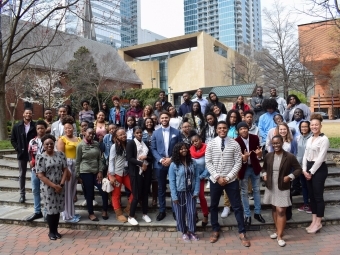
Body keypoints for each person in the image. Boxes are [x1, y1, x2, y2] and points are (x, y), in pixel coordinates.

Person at [205, 121, 250, 247]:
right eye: (220, 128)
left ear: (227, 129)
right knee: (213, 206)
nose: (222, 130)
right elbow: (208, 162)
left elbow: (238, 163)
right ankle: (215, 229)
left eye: (224, 128)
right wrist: (217, 176)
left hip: (231, 180)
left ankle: (242, 232)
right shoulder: (211, 144)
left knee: (236, 206)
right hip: (216, 180)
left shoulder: (235, 144)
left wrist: (228, 177)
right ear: (216, 129)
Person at [262, 135, 302, 247]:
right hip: (271, 185)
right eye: (274, 143)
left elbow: (299, 169)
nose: (276, 145)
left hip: (283, 185)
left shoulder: (289, 156)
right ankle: (277, 231)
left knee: (281, 210)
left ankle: (280, 236)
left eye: (278, 143)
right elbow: (264, 168)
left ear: (282, 142)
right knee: (274, 207)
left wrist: (290, 176)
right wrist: (264, 174)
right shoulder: (269, 155)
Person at [36, 135, 69, 240]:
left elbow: (65, 170)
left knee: (58, 209)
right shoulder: (41, 157)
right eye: (47, 144)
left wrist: (61, 184)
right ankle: (51, 232)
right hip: (48, 188)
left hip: (60, 186)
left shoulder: (61, 155)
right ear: (43, 145)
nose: (49, 145)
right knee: (51, 210)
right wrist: (54, 186)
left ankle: (56, 231)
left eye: (51, 143)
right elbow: (40, 175)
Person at [151, 111, 182, 221]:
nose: (164, 119)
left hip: (173, 163)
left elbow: (180, 148)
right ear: (159, 120)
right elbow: (153, 149)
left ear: (169, 119)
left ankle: (175, 210)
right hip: (160, 165)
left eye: (166, 118)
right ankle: (162, 210)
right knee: (161, 188)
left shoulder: (177, 132)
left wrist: (171, 159)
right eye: (162, 118)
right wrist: (160, 159)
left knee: (175, 187)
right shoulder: (155, 133)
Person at [302, 113, 330, 234]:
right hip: (308, 168)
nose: (314, 127)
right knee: (311, 196)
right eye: (312, 125)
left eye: (316, 125)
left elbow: (320, 158)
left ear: (320, 125)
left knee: (318, 196)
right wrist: (304, 169)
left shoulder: (324, 139)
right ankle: (313, 221)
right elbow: (305, 155)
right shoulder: (309, 139)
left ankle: (318, 222)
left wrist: (311, 172)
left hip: (319, 169)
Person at [235, 122, 265, 227]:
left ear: (248, 129)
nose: (243, 130)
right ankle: (247, 215)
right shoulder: (236, 141)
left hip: (254, 167)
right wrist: (244, 159)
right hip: (244, 169)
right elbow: (236, 159)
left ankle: (257, 213)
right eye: (241, 129)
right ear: (238, 131)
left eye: (245, 128)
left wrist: (260, 155)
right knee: (244, 192)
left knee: (256, 190)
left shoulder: (255, 138)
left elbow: (259, 154)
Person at [76, 128, 109, 221]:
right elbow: (78, 161)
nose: (91, 135)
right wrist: (78, 175)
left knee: (104, 191)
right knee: (89, 194)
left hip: (96, 172)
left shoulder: (96, 144)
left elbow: (100, 158)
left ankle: (105, 210)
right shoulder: (80, 145)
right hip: (85, 172)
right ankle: (91, 213)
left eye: (93, 134)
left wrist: (100, 171)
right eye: (89, 133)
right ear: (84, 133)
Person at [169, 143, 200, 241]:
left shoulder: (193, 162)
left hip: (191, 192)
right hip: (179, 192)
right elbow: (172, 181)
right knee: (180, 213)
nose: (184, 150)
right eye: (181, 149)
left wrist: (196, 191)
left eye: (185, 149)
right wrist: (174, 196)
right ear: (177, 151)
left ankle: (192, 232)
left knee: (191, 213)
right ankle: (184, 232)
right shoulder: (174, 165)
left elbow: (197, 177)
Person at [57, 116, 81, 223]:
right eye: (66, 128)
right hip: (67, 165)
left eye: (70, 127)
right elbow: (60, 156)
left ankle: (71, 212)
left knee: (72, 191)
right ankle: (67, 216)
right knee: (66, 191)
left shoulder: (78, 139)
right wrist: (65, 170)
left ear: (73, 128)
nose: (68, 130)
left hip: (76, 165)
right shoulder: (62, 139)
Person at [126, 126, 152, 225]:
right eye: (137, 133)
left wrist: (146, 157)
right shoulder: (131, 143)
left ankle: (145, 214)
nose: (139, 134)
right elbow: (129, 158)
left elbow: (150, 157)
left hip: (146, 171)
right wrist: (141, 164)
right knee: (136, 195)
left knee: (145, 194)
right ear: (133, 134)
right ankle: (131, 216)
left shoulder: (144, 144)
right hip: (136, 172)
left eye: (140, 132)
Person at [11, 108, 37, 203]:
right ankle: (22, 194)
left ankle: (37, 193)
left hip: (32, 154)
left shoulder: (35, 126)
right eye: (26, 113)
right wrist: (18, 148)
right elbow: (13, 140)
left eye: (30, 113)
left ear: (31, 115)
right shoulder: (17, 126)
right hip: (21, 153)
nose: (28, 115)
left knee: (36, 173)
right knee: (22, 174)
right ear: (23, 114)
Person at [108, 128, 134, 223]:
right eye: (120, 135)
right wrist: (111, 175)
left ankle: (128, 208)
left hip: (126, 173)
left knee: (135, 190)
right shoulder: (114, 147)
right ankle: (118, 214)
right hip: (116, 173)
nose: (123, 136)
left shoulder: (128, 145)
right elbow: (111, 161)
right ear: (116, 137)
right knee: (116, 194)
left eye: (124, 134)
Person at [26, 120, 47, 222]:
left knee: (46, 191)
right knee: (35, 190)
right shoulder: (32, 141)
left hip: (46, 171)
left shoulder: (49, 141)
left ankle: (47, 212)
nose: (40, 130)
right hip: (35, 170)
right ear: (36, 129)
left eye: (42, 128)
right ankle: (37, 211)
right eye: (38, 128)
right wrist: (30, 160)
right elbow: (30, 153)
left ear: (45, 129)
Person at [190, 135, 210, 227]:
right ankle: (195, 215)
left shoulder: (207, 149)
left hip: (201, 177)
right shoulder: (190, 151)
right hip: (191, 178)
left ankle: (205, 215)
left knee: (201, 196)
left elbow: (209, 165)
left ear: (201, 140)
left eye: (197, 140)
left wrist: (202, 176)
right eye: (193, 141)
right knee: (192, 196)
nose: (195, 143)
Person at [296, 121, 312, 214]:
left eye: (306, 126)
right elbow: (299, 153)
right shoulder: (300, 137)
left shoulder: (312, 138)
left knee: (310, 186)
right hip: (301, 166)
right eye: (302, 127)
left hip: (309, 166)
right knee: (304, 186)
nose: (304, 128)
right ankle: (306, 204)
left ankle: (312, 205)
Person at [142, 117, 158, 207]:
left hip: (155, 158)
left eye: (151, 122)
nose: (149, 123)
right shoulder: (142, 133)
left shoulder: (156, 133)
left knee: (155, 179)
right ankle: (144, 199)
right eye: (147, 122)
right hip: (145, 158)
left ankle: (154, 198)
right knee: (146, 179)